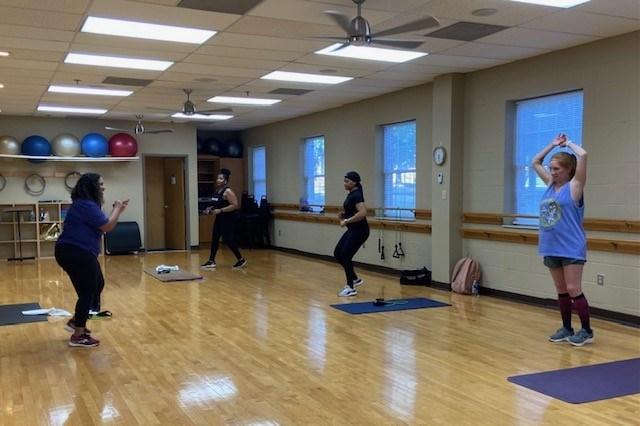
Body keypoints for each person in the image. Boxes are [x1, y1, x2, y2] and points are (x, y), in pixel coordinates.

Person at [532, 133, 592, 346]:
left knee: (573, 288)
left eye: (557, 169)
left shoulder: (575, 187)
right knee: (561, 290)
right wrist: (552, 145)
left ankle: (587, 331)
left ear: (568, 170)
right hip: (551, 246)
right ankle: (567, 328)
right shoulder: (550, 184)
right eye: (551, 168)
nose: (552, 172)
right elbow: (535, 162)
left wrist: (568, 144)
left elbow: (583, 155)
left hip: (571, 246)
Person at [55, 173, 128, 348]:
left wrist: (116, 211)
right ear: (91, 186)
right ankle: (78, 335)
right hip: (75, 251)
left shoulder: (88, 204)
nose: (103, 187)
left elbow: (105, 225)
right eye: (100, 184)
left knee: (97, 284)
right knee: (88, 291)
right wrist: (117, 210)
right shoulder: (85, 204)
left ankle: (76, 321)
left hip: (78, 251)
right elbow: (107, 226)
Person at [201, 168, 247, 270]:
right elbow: (216, 204)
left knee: (228, 239)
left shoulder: (228, 191)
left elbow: (235, 205)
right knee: (215, 238)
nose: (218, 180)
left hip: (229, 218)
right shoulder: (217, 191)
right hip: (220, 218)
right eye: (218, 178)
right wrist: (209, 209)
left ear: (225, 181)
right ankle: (211, 260)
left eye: (221, 178)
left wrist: (221, 210)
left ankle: (241, 259)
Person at [335, 171, 370, 297]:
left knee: (345, 256)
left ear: (354, 182)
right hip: (352, 230)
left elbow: (362, 213)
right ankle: (355, 278)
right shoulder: (351, 194)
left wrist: (347, 220)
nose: (344, 183)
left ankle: (350, 287)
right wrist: (344, 215)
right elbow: (353, 210)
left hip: (360, 231)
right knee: (338, 253)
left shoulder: (357, 195)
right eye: (344, 181)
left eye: (347, 181)